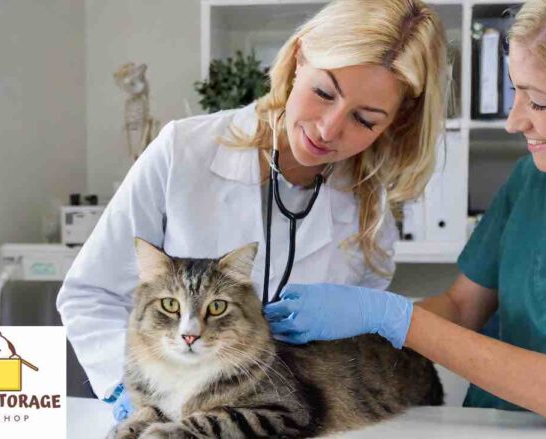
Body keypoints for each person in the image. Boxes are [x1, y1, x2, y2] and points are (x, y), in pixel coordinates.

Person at [266, 0, 546, 429]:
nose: (514, 122)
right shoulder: (536, 180)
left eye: (538, 103)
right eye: (516, 93)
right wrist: (342, 343)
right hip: (485, 426)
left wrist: (387, 314)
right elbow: (461, 307)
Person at [56, 0, 448, 421]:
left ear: (395, 123)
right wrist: (129, 393)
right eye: (323, 92)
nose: (328, 129)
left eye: (365, 119)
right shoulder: (183, 152)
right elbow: (90, 293)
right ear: (299, 59)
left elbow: (349, 356)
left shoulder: (369, 207)